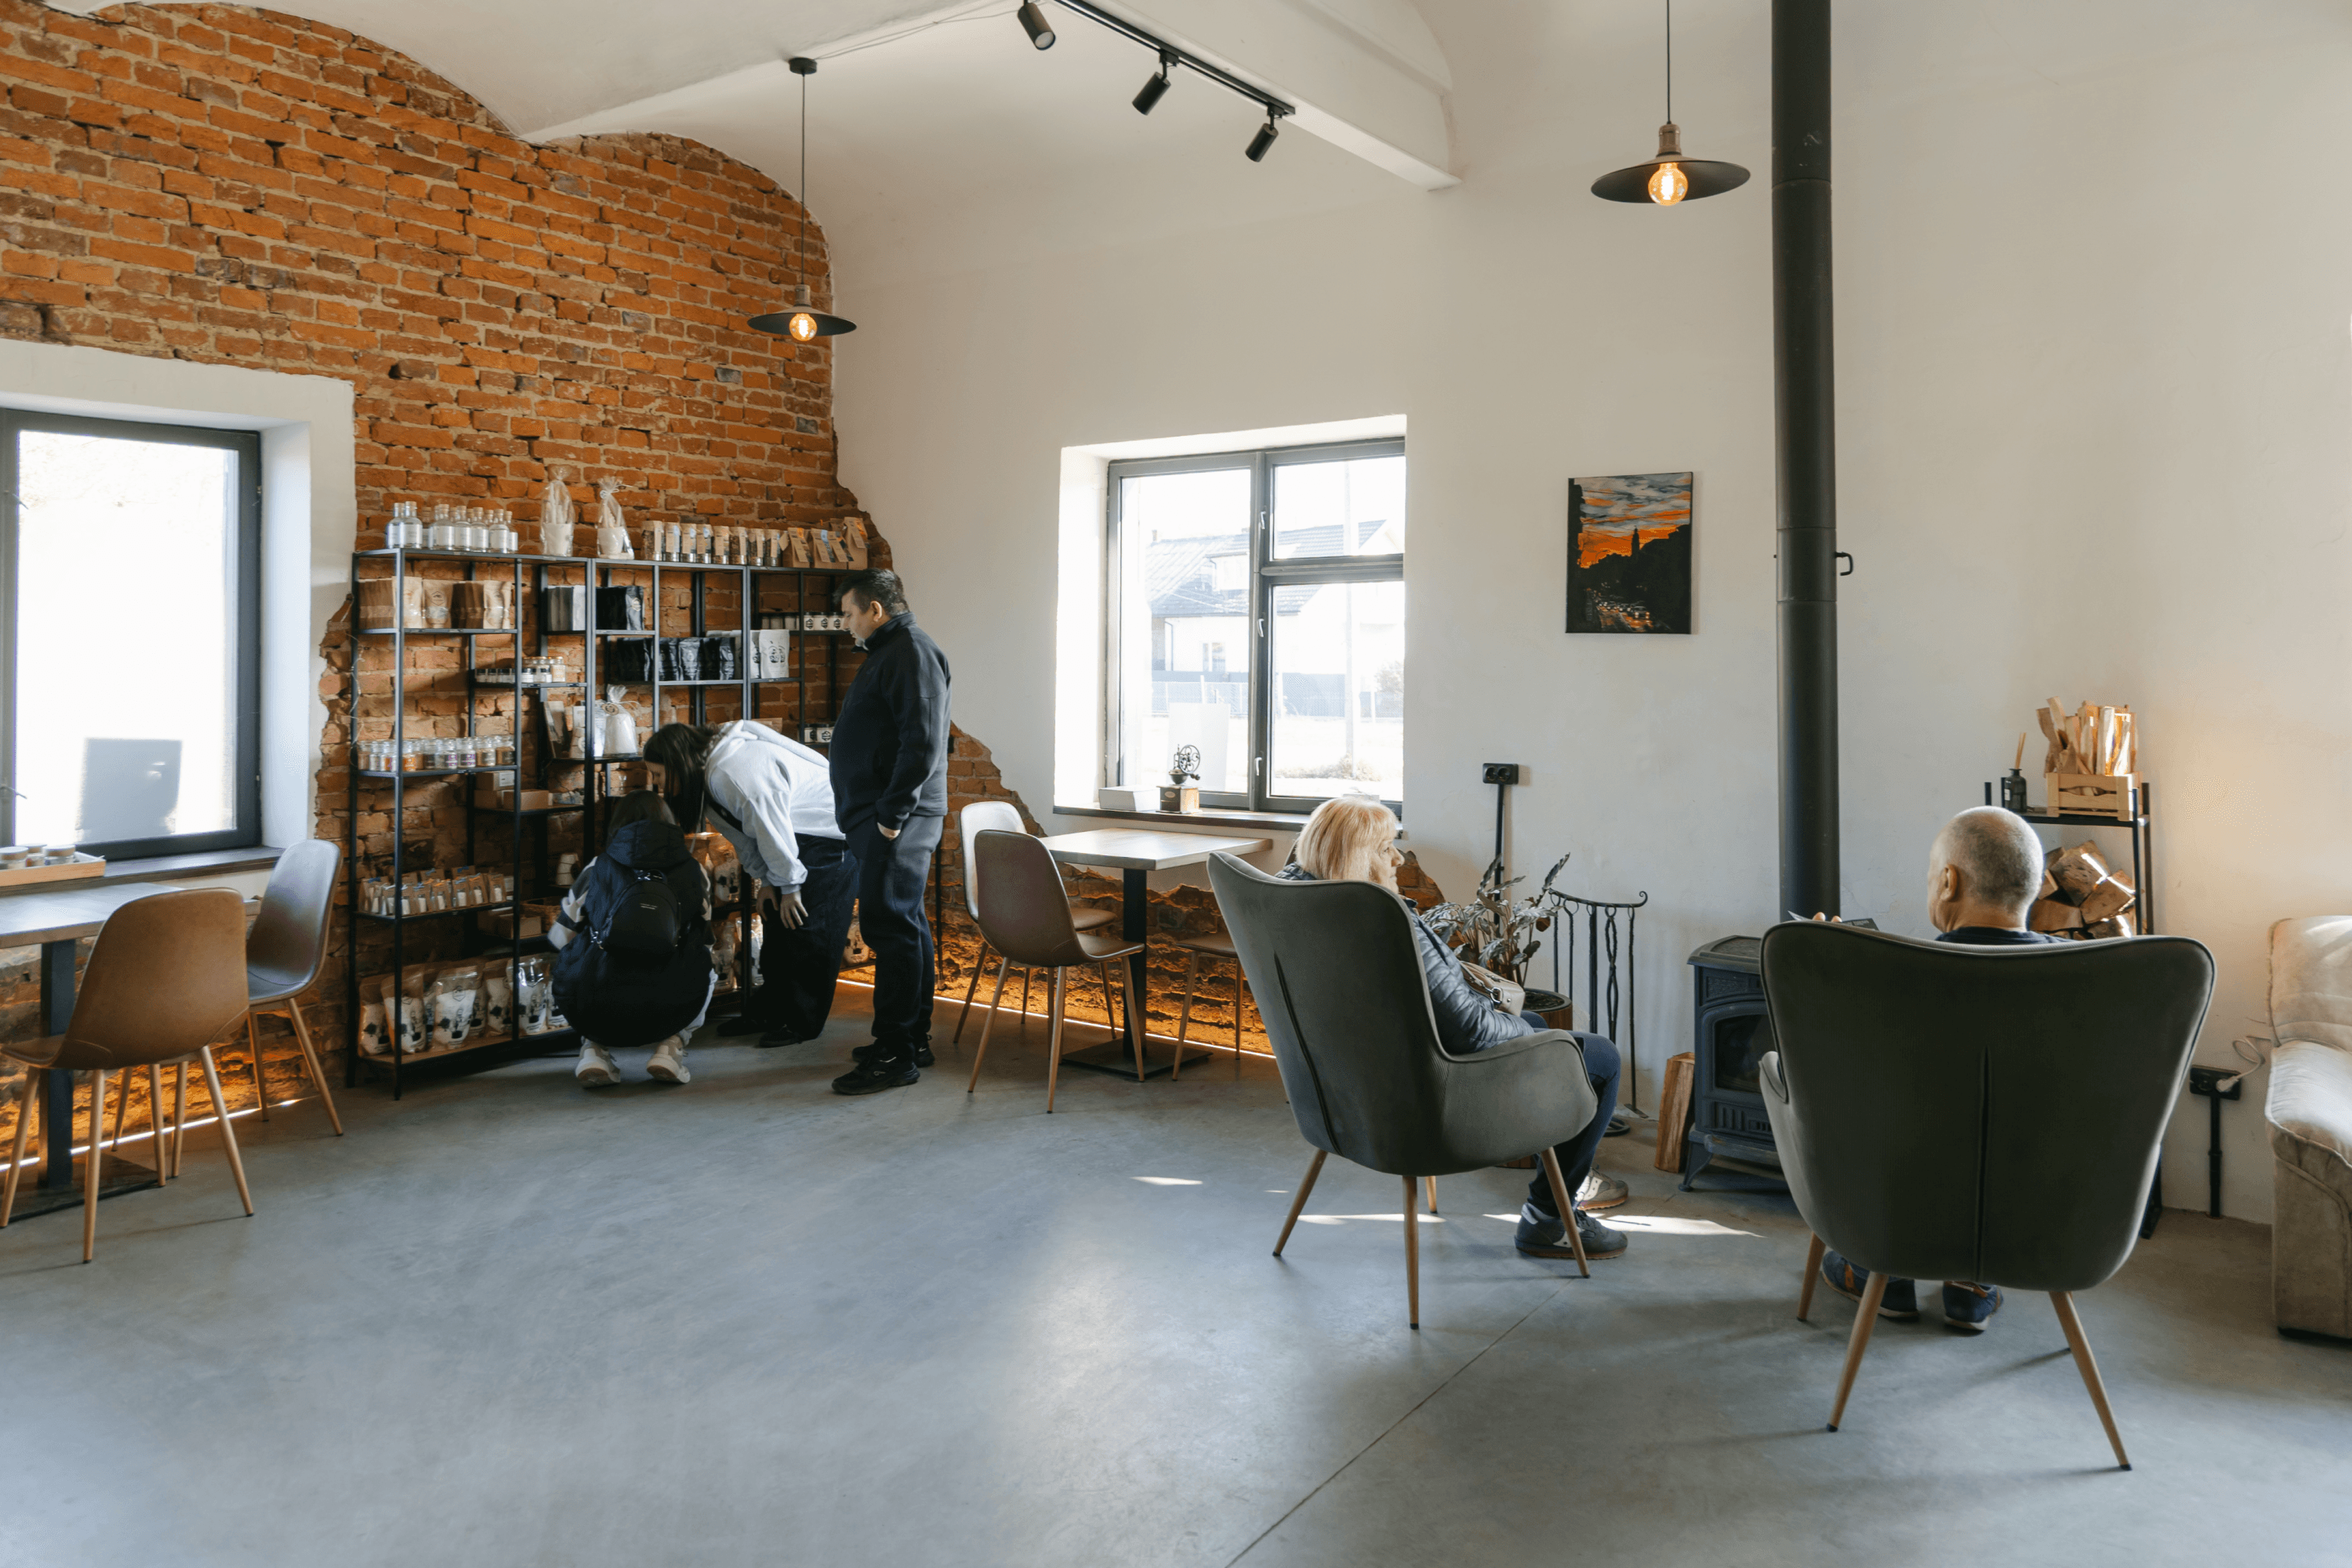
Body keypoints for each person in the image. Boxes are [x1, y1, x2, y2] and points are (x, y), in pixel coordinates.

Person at [1280, 795, 1631, 1263]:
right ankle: (1548, 1218)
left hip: (1350, 1092)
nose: (1399, 859)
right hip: (1433, 1100)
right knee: (1599, 1056)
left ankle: (1560, 1182)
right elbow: (1470, 1029)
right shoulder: (1386, 921)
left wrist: (1524, 1027)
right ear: (1356, 860)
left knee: (1536, 1023)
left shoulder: (1301, 908)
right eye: (1386, 849)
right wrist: (1530, 1035)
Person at [1817, 805, 2058, 1331]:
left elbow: (1827, 1086)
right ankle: (1973, 1283)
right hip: (2037, 1218)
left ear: (1949, 881)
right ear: (2037, 886)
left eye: (1931, 874)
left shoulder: (1890, 981)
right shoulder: (2093, 986)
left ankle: (1880, 1273)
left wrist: (1824, 970)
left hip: (1903, 1211)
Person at [641, 719, 857, 1050]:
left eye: (658, 774)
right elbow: (743, 834)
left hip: (827, 835)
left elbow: (771, 828)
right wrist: (767, 880)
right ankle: (769, 1012)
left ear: (678, 763)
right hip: (792, 837)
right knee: (776, 926)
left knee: (810, 931)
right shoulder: (707, 775)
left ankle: (802, 1022)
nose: (656, 783)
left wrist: (789, 886)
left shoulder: (732, 772)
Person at [826, 568, 952, 1095]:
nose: (846, 624)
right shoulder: (892, 651)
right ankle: (912, 1038)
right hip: (889, 817)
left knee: (890, 930)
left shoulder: (911, 652)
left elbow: (922, 743)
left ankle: (895, 1054)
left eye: (849, 614)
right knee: (905, 925)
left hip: (899, 821)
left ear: (875, 610)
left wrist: (890, 817)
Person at [550, 792, 715, 1087]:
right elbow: (705, 939)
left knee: (576, 962)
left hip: (599, 1000)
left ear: (618, 825)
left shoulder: (597, 867)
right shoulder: (694, 870)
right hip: (671, 1002)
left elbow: (560, 937)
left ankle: (593, 1050)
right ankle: (671, 1047)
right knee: (708, 968)